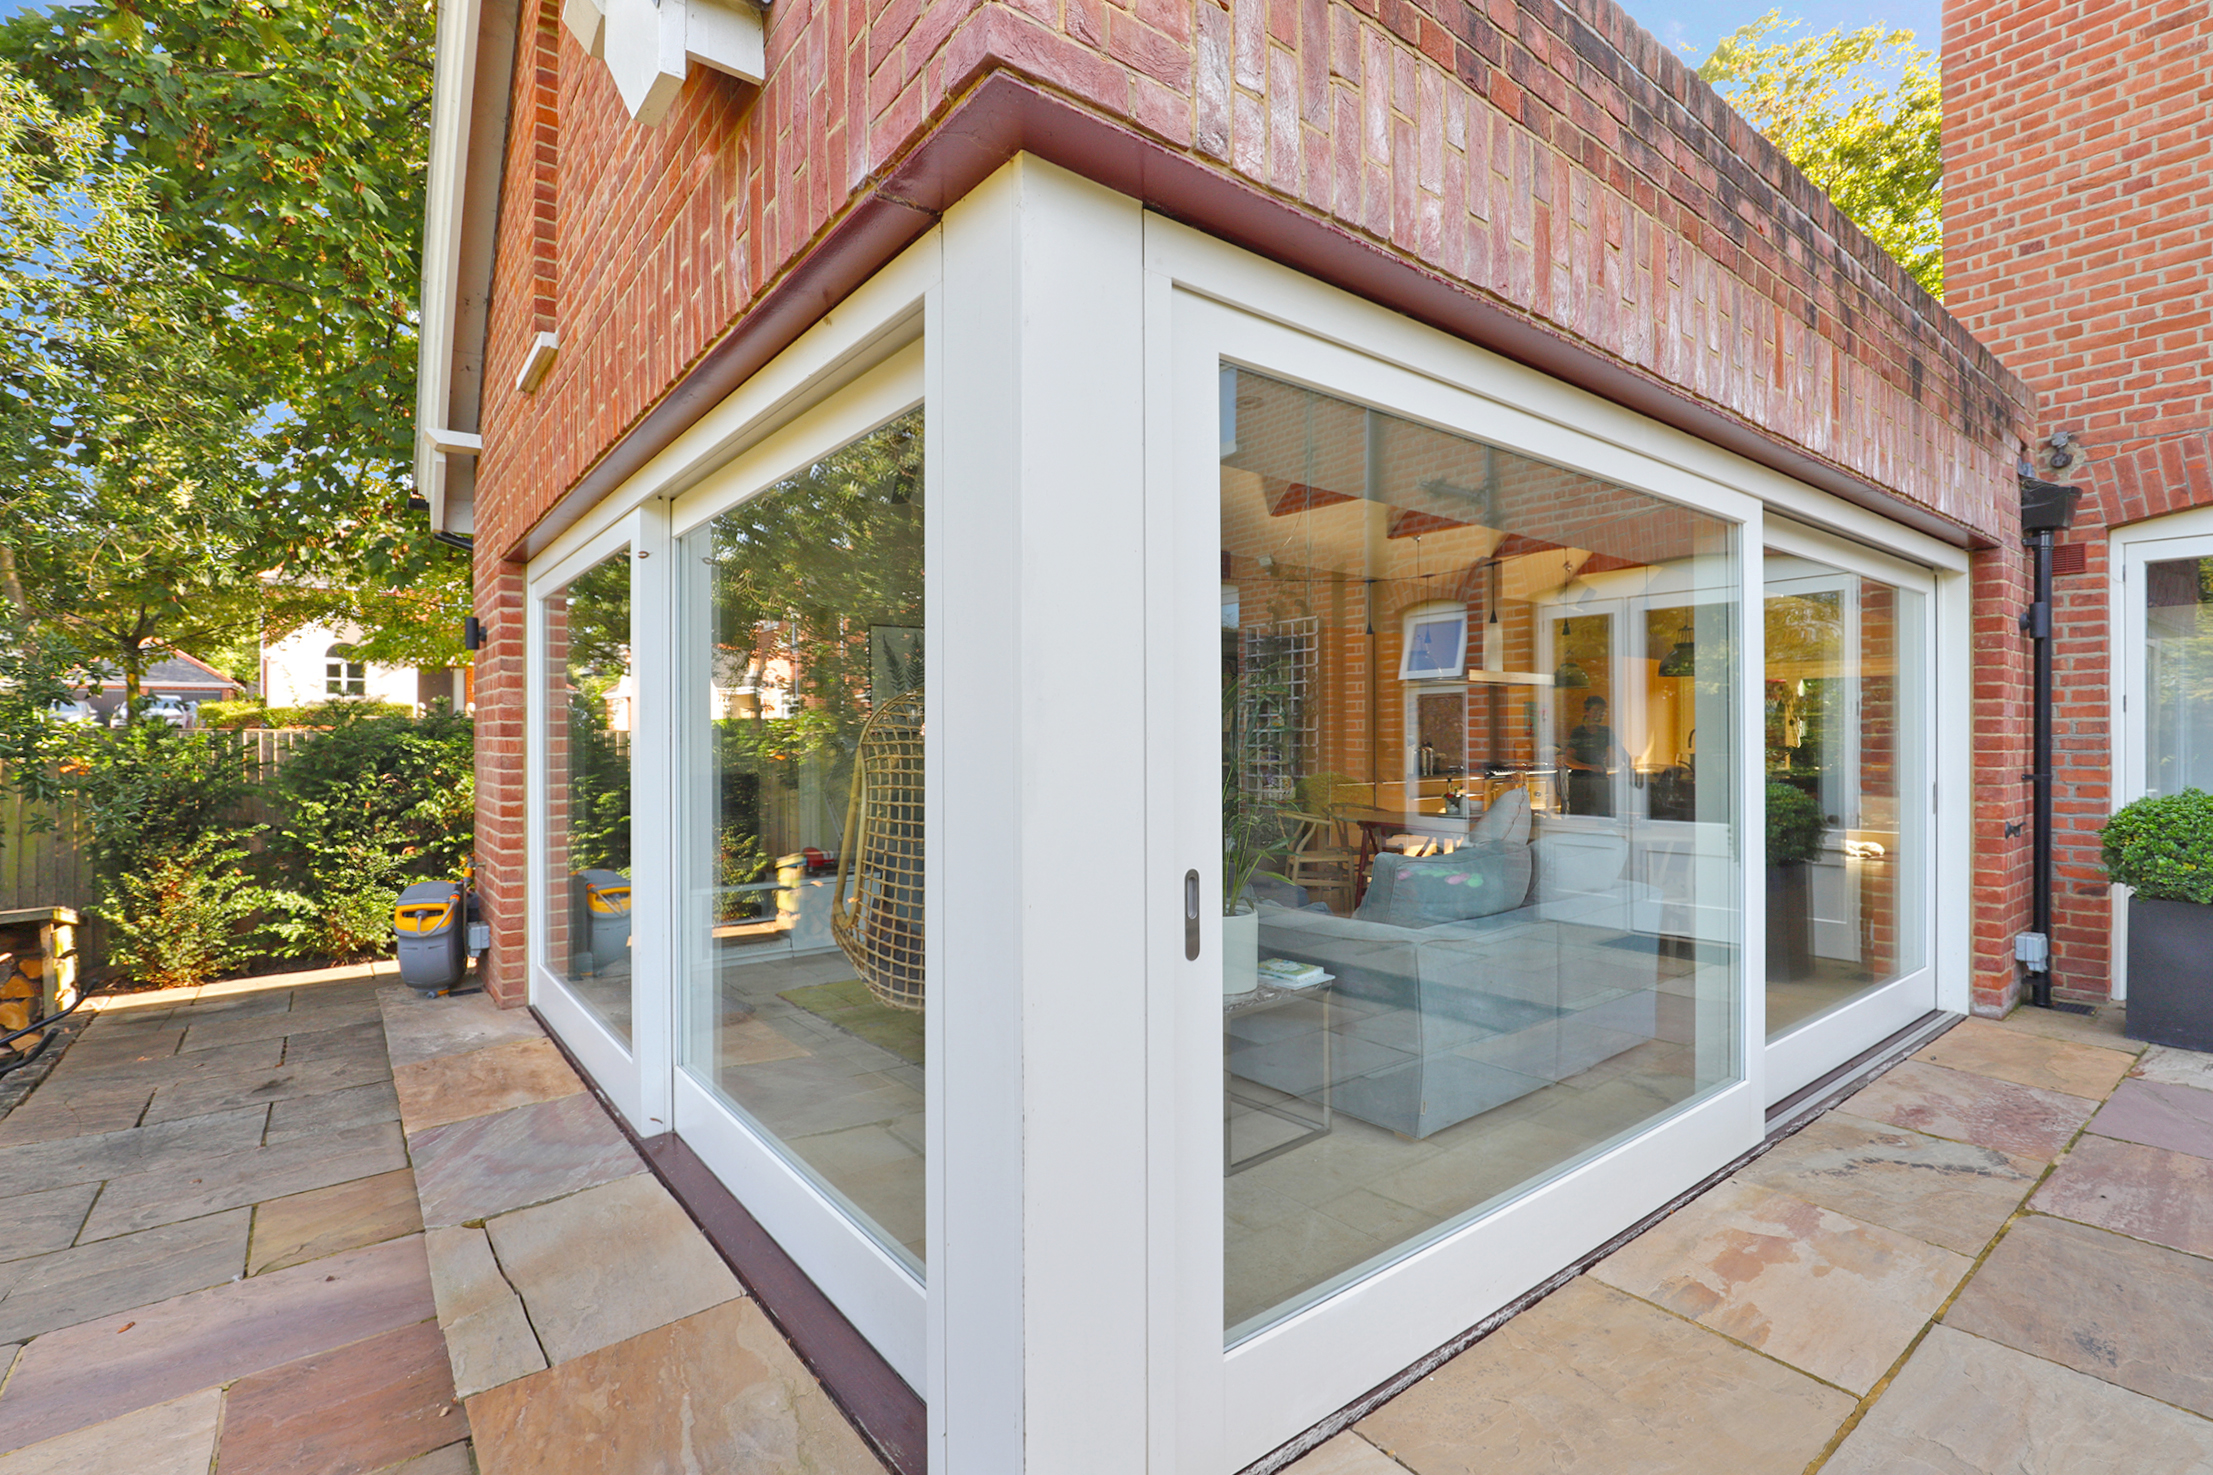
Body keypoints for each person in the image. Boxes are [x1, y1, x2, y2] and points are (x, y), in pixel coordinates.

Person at [1561, 695, 1620, 817]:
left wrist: (1628, 766)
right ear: (1587, 712)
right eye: (1596, 711)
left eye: (1603, 712)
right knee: (1580, 815)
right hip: (1580, 781)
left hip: (1600, 780)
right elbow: (1567, 760)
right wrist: (1590, 767)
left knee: (1603, 815)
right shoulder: (1579, 732)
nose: (1599, 715)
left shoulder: (1605, 732)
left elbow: (1622, 752)